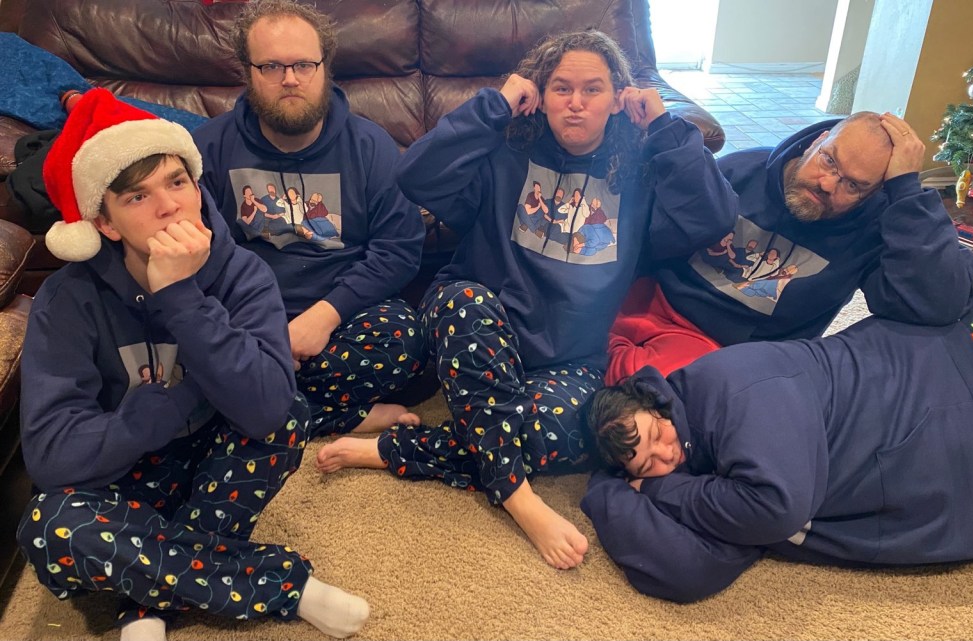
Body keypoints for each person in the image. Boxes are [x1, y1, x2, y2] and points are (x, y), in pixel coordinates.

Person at [315, 29, 738, 569]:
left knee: (572, 434)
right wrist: (495, 105)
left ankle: (389, 450)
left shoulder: (641, 169)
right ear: (542, 94)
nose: (576, 102)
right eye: (562, 88)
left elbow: (712, 218)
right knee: (463, 301)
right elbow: (415, 174)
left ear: (617, 99)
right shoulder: (507, 148)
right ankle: (518, 497)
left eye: (593, 89)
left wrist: (663, 127)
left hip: (568, 357)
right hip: (478, 326)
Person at [16, 88, 370, 641]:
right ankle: (282, 585)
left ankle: (145, 600)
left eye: (178, 182)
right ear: (106, 223)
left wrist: (182, 299)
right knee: (47, 527)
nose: (169, 206)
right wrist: (155, 413)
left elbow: (268, 410)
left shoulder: (241, 274)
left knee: (287, 412)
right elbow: (52, 459)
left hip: (214, 464)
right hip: (122, 476)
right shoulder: (67, 301)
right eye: (138, 196)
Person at [582, 295, 973, 604]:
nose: (665, 455)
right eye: (647, 464)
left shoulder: (730, 388)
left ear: (655, 403)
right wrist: (606, 493)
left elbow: (775, 508)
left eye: (656, 435)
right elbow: (688, 569)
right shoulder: (696, 474)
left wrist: (657, 491)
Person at [192, 0, 427, 439]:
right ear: (247, 72)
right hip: (243, 316)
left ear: (325, 67)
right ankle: (336, 415)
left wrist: (324, 317)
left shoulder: (371, 146)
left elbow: (398, 249)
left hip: (338, 316)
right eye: (271, 66)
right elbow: (197, 252)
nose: (290, 79)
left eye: (303, 64)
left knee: (405, 339)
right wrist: (257, 329)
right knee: (179, 343)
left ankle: (251, 407)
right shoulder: (206, 148)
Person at [606, 111, 973, 384]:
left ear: (875, 193)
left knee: (679, 409)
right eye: (829, 160)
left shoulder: (874, 228)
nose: (828, 184)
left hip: (734, 358)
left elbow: (941, 304)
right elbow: (650, 235)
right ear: (818, 141)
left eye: (853, 185)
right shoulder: (742, 170)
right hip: (654, 304)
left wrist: (907, 193)